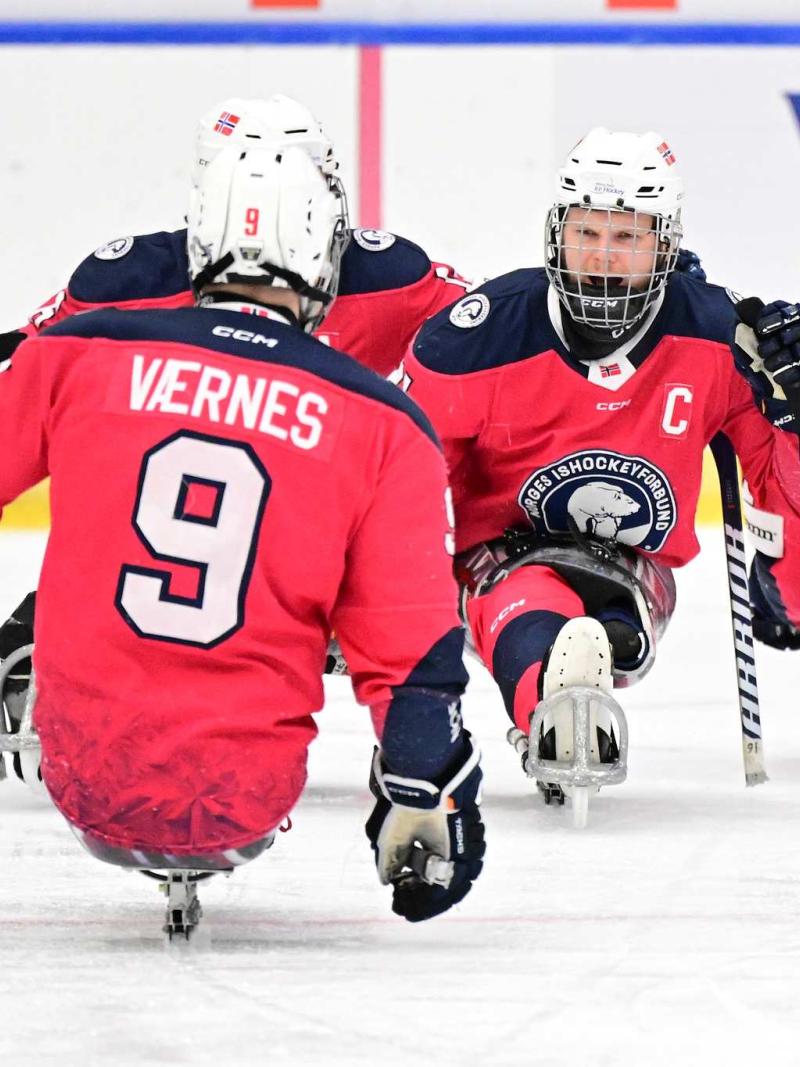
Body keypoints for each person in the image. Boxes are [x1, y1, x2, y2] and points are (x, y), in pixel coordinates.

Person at [0, 141, 485, 932]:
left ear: (198, 241)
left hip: (79, 775)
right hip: (245, 796)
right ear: (325, 253)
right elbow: (414, 654)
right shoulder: (386, 423)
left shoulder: (77, 354)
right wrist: (426, 791)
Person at [401, 127, 800, 819]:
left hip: (637, 567)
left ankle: (584, 664)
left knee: (619, 626)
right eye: (587, 232)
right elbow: (394, 480)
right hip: (497, 556)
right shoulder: (477, 337)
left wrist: (797, 421)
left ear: (666, 246)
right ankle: (553, 703)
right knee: (526, 594)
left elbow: (778, 483)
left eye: (628, 238)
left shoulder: (722, 337)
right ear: (556, 232)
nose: (604, 258)